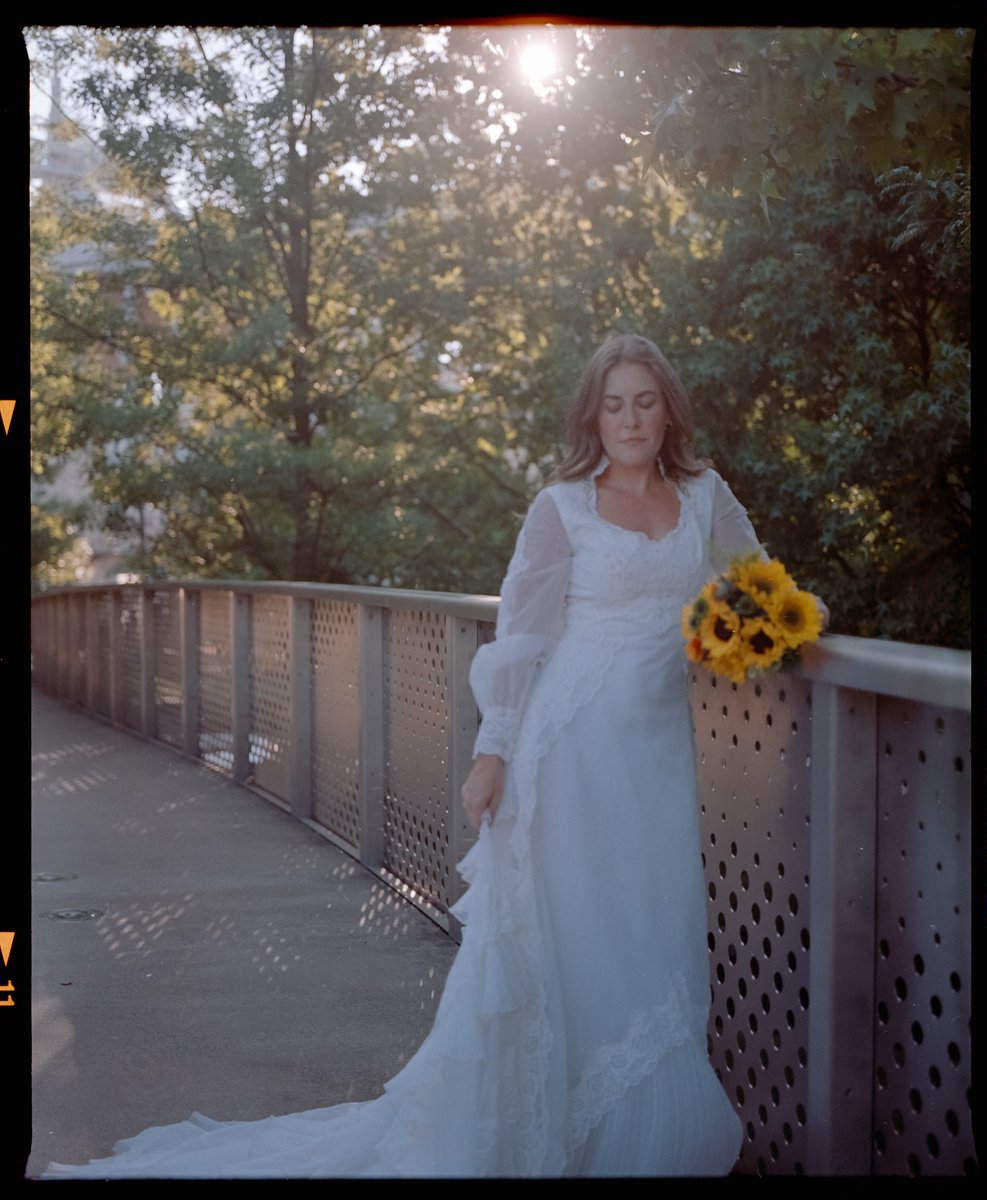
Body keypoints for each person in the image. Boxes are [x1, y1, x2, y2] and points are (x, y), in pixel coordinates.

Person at [46, 334, 757, 1178]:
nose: (631, 419)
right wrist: (491, 756)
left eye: (645, 401)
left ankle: (632, 1126)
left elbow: (758, 587)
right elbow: (523, 641)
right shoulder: (562, 506)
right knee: (570, 942)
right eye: (614, 404)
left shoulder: (706, 496)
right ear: (591, 417)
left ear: (668, 407)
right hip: (566, 753)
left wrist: (747, 638)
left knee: (649, 932)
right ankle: (553, 1131)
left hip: (656, 759)